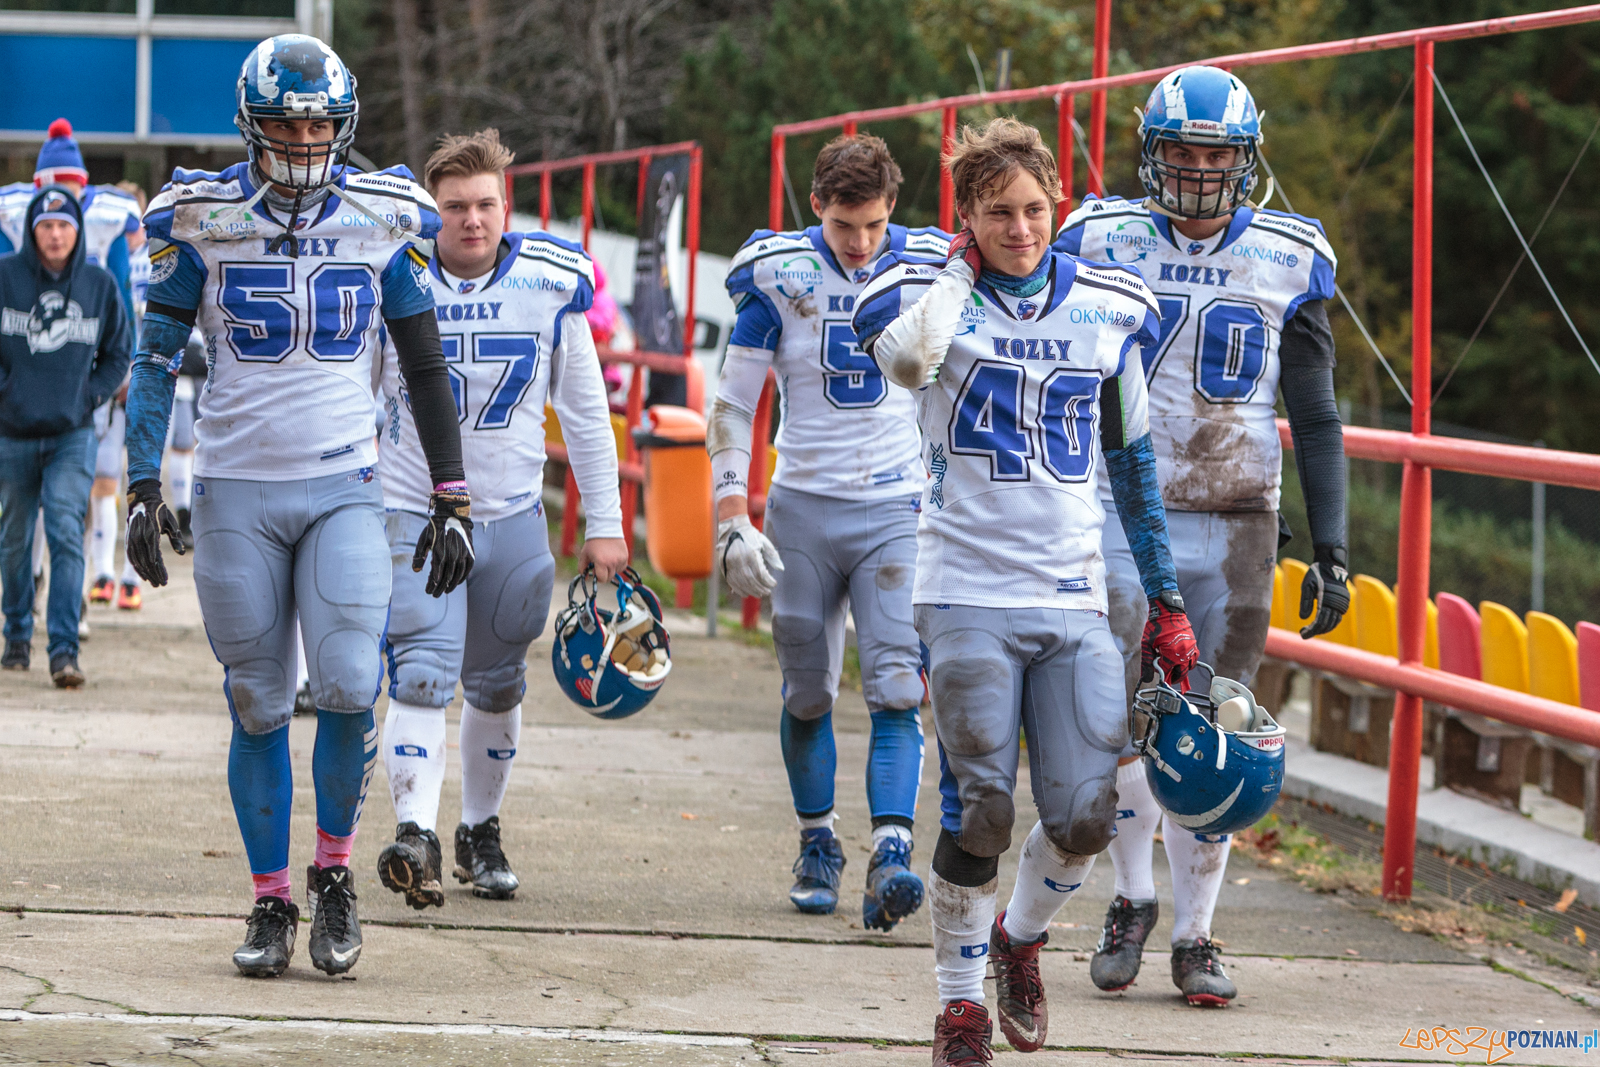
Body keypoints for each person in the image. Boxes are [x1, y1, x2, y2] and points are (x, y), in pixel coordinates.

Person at [123, 35, 472, 979]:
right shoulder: (205, 216)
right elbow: (154, 356)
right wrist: (143, 480)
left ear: (344, 123)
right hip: (236, 485)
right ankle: (271, 896)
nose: (307, 138)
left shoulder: (378, 215)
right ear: (253, 124)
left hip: (343, 484)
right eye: (287, 121)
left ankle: (332, 876)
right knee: (257, 701)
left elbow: (423, 357)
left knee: (354, 681)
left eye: (321, 122)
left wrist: (452, 489)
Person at [852, 117, 1199, 1064]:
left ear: (1059, 206)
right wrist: (961, 274)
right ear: (964, 213)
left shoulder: (1108, 305)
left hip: (1072, 592)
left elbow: (1131, 463)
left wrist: (1164, 601)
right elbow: (910, 361)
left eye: (1036, 209)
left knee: (1087, 812)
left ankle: (1018, 937)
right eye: (997, 211)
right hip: (961, 584)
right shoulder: (929, 292)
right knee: (983, 807)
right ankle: (958, 1004)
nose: (1021, 227)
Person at [1054, 65, 1349, 1007]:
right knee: (1123, 716)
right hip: (1117, 507)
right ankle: (1133, 900)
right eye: (1178, 151)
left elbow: (1316, 408)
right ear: (1151, 153)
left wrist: (1333, 543)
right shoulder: (1098, 238)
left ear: (1245, 159)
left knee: (1218, 727)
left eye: (1212, 154)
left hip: (1237, 514)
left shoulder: (1289, 253)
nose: (1194, 171)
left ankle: (1196, 935)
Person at [374, 128, 626, 908]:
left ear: (504, 204)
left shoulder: (549, 282)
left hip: (513, 511)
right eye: (454, 206)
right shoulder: (397, 274)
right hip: (414, 505)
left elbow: (585, 415)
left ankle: (478, 827)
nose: (471, 220)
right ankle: (414, 828)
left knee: (497, 684)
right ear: (432, 210)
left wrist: (606, 521)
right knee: (420, 670)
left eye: (485, 204)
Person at [709, 134, 947, 931]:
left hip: (894, 507)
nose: (862, 242)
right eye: (847, 224)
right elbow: (736, 400)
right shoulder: (776, 272)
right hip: (804, 503)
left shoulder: (932, 265)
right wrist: (728, 516)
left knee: (896, 684)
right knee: (808, 687)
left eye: (876, 224)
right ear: (817, 206)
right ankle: (818, 840)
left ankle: (890, 852)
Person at [0, 185, 132, 685]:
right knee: (13, 541)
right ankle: (16, 631)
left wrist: (89, 395)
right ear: (33, 231)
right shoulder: (5, 276)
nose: (55, 235)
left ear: (76, 232)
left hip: (73, 433)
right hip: (12, 433)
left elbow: (121, 353)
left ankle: (63, 651)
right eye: (46, 226)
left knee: (64, 531)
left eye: (64, 226)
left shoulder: (99, 285)